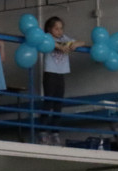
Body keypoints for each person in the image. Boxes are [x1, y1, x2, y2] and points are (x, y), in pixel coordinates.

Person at [41, 16, 84, 145]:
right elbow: (46, 41)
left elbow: (82, 42)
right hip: (50, 73)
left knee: (58, 104)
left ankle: (55, 132)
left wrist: (75, 44)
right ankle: (42, 131)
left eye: (61, 28)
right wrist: (59, 47)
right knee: (49, 102)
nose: (59, 31)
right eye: (56, 28)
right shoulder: (48, 37)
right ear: (49, 29)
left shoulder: (64, 38)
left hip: (61, 74)